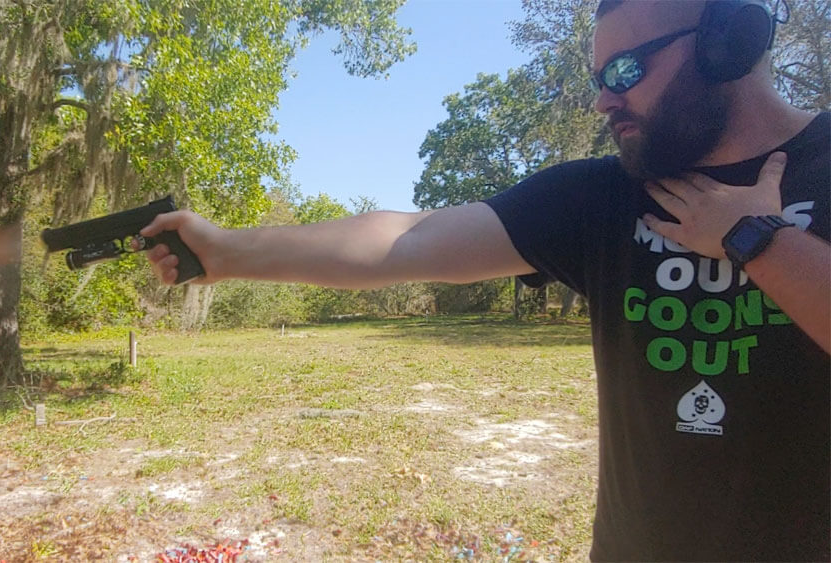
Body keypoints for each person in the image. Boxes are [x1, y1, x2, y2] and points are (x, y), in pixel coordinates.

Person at [138, 0, 830, 560]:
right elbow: (412, 239)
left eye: (623, 71)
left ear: (725, 42)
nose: (601, 102)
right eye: (596, 80)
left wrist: (756, 241)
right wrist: (228, 252)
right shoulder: (605, 195)